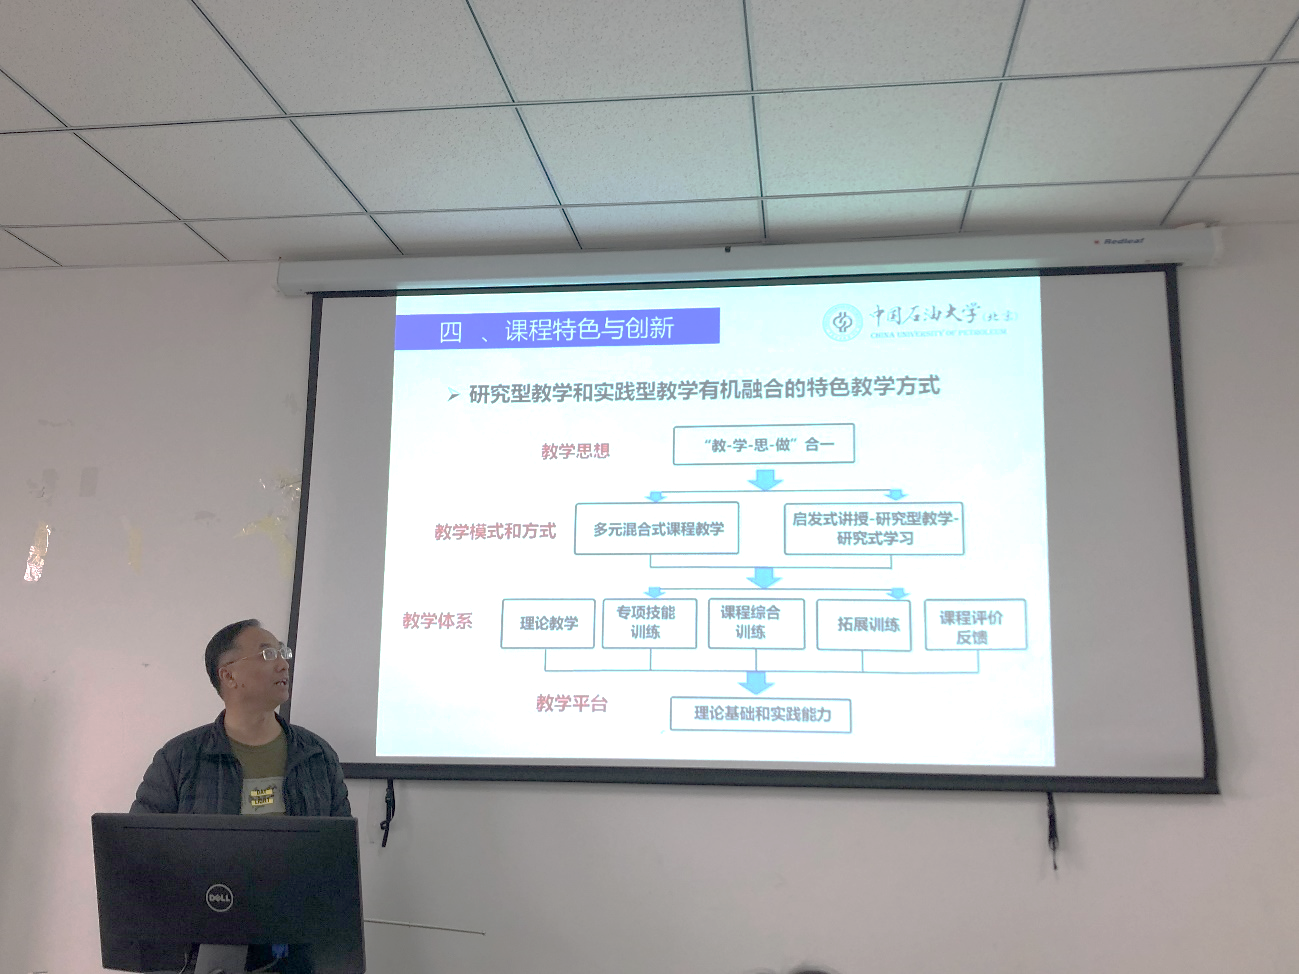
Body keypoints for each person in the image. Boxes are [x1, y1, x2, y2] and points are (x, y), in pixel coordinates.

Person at [131, 619, 350, 816]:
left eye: (283, 653)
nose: (283, 664)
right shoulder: (178, 759)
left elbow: (340, 842)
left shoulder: (317, 755)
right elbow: (141, 840)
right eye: (268, 654)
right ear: (228, 676)